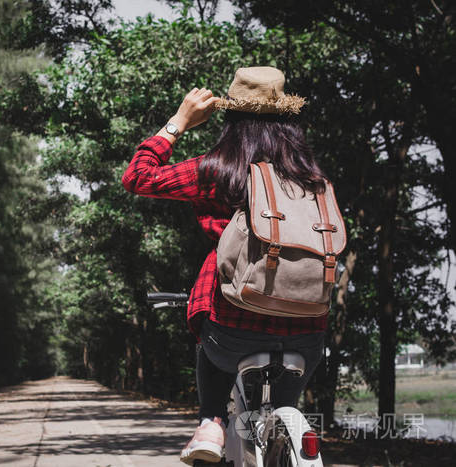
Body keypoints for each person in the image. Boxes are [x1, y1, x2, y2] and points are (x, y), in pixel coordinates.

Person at [121, 67, 327, 465]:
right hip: (307, 331)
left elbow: (137, 177)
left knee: (209, 336)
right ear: (288, 121)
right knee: (286, 396)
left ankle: (211, 422)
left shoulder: (216, 170)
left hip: (233, 329)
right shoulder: (310, 177)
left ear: (231, 119)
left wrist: (179, 121)